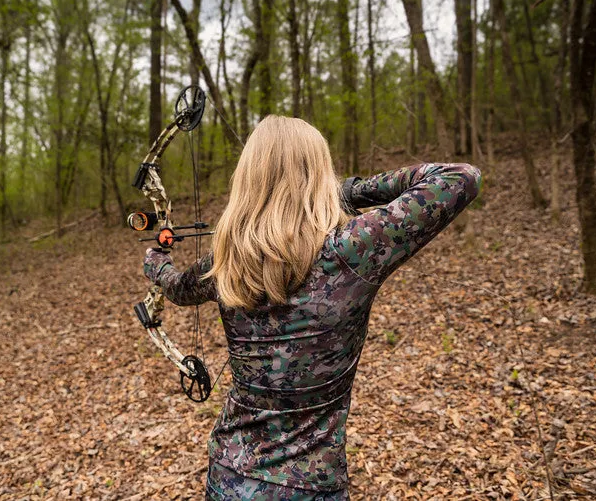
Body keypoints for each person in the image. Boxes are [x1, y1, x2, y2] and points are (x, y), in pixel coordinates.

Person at [143, 115, 481, 500]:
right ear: (320, 174)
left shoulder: (225, 262)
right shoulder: (350, 249)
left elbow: (177, 288)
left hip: (229, 478)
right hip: (309, 487)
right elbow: (459, 177)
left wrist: (157, 263)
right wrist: (346, 192)